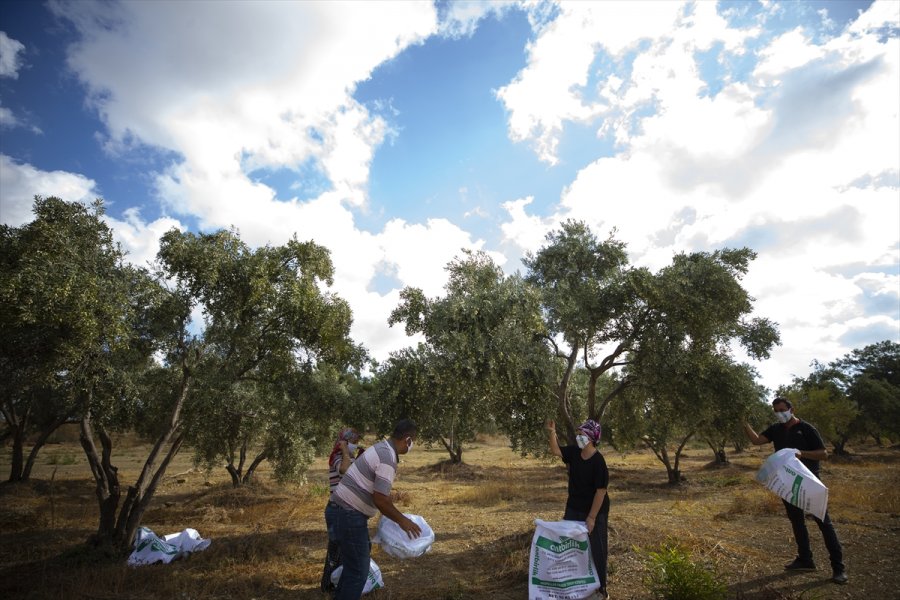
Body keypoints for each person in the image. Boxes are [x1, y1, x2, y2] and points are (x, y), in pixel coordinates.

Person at [743, 397, 848, 585]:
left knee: (824, 523)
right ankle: (805, 559)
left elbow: (823, 453)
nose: (779, 413)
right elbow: (757, 441)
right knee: (797, 522)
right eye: (776, 411)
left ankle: (839, 568)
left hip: (809, 481)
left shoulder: (807, 429)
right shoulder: (775, 429)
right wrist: (744, 423)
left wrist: (802, 453)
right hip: (788, 483)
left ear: (792, 409)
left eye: (782, 409)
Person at [325, 419, 422, 600]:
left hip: (340, 511)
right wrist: (403, 521)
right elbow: (380, 500)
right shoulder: (388, 458)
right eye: (413, 440)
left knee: (351, 568)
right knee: (358, 573)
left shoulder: (382, 448)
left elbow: (377, 493)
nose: (412, 445)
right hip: (348, 514)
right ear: (407, 439)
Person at [546, 418, 610, 599]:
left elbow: (601, 492)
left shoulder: (598, 461)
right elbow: (556, 450)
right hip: (574, 507)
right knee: (571, 546)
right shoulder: (575, 452)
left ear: (591, 438)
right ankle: (576, 585)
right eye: (579, 433)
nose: (578, 437)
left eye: (582, 434)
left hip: (595, 510)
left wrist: (591, 518)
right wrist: (552, 432)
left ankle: (601, 589)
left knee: (597, 549)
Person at [321, 428, 363, 593]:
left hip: (346, 511)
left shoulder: (349, 458)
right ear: (343, 442)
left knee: (344, 550)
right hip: (337, 511)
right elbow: (344, 470)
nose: (355, 444)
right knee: (336, 551)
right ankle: (329, 586)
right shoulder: (338, 457)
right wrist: (345, 450)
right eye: (352, 441)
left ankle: (337, 584)